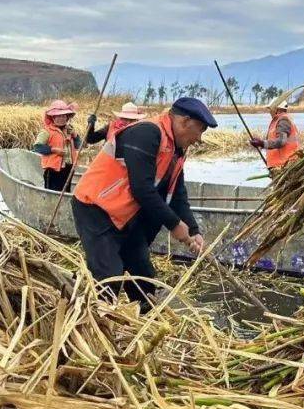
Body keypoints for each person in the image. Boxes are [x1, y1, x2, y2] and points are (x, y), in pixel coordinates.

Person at [72, 97, 216, 310]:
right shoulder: (148, 133)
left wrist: (194, 230)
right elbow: (142, 189)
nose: (199, 139)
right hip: (96, 208)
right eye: (200, 130)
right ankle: (97, 322)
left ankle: (144, 319)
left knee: (143, 275)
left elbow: (177, 193)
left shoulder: (177, 149)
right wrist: (175, 225)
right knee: (109, 276)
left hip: (126, 216)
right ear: (185, 121)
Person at [32, 100, 82, 191]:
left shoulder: (70, 130)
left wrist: (75, 135)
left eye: (63, 116)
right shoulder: (47, 131)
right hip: (53, 170)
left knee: (65, 191)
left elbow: (79, 145)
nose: (61, 118)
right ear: (53, 118)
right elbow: (37, 147)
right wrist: (54, 150)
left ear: (67, 117)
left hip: (68, 168)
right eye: (58, 116)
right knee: (52, 192)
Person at [250, 101, 300, 169]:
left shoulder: (283, 120)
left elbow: (281, 141)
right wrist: (259, 143)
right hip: (280, 165)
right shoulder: (279, 120)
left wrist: (262, 143)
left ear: (277, 109)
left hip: (284, 165)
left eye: (270, 109)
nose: (270, 112)